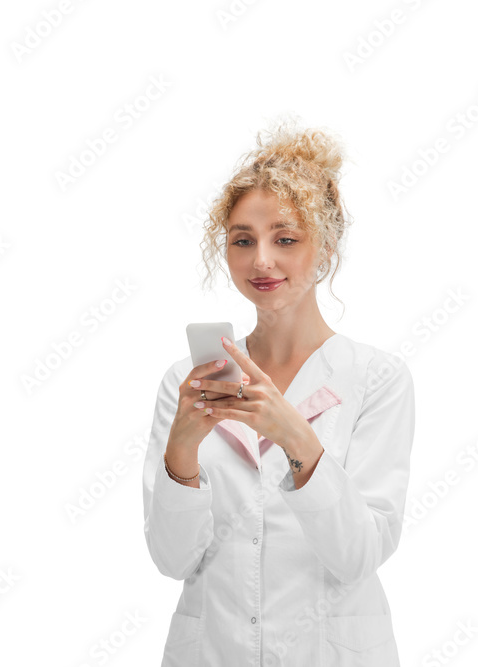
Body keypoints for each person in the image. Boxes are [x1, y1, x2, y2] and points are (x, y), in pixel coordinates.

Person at [141, 116, 416, 666]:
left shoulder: (377, 379)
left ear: (327, 245)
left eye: (285, 239)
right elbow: (172, 561)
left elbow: (359, 554)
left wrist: (295, 438)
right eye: (243, 240)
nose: (261, 260)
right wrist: (182, 451)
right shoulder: (186, 382)